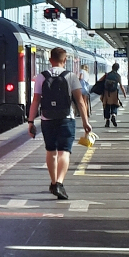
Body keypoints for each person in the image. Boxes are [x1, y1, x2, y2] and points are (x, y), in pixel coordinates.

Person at [26, 47, 92, 201]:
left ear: (50, 60)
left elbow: (36, 100)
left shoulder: (41, 77)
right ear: (65, 60)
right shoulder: (71, 76)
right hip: (66, 118)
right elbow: (80, 101)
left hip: (46, 119)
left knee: (51, 151)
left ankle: (53, 181)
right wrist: (85, 122)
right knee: (64, 151)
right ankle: (60, 183)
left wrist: (30, 122)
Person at [98, 63, 128, 127]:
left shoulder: (107, 74)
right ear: (118, 69)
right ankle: (113, 115)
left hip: (106, 93)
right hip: (114, 93)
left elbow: (99, 81)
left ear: (112, 67)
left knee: (106, 106)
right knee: (114, 105)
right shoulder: (118, 76)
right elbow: (121, 86)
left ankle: (107, 121)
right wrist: (124, 93)